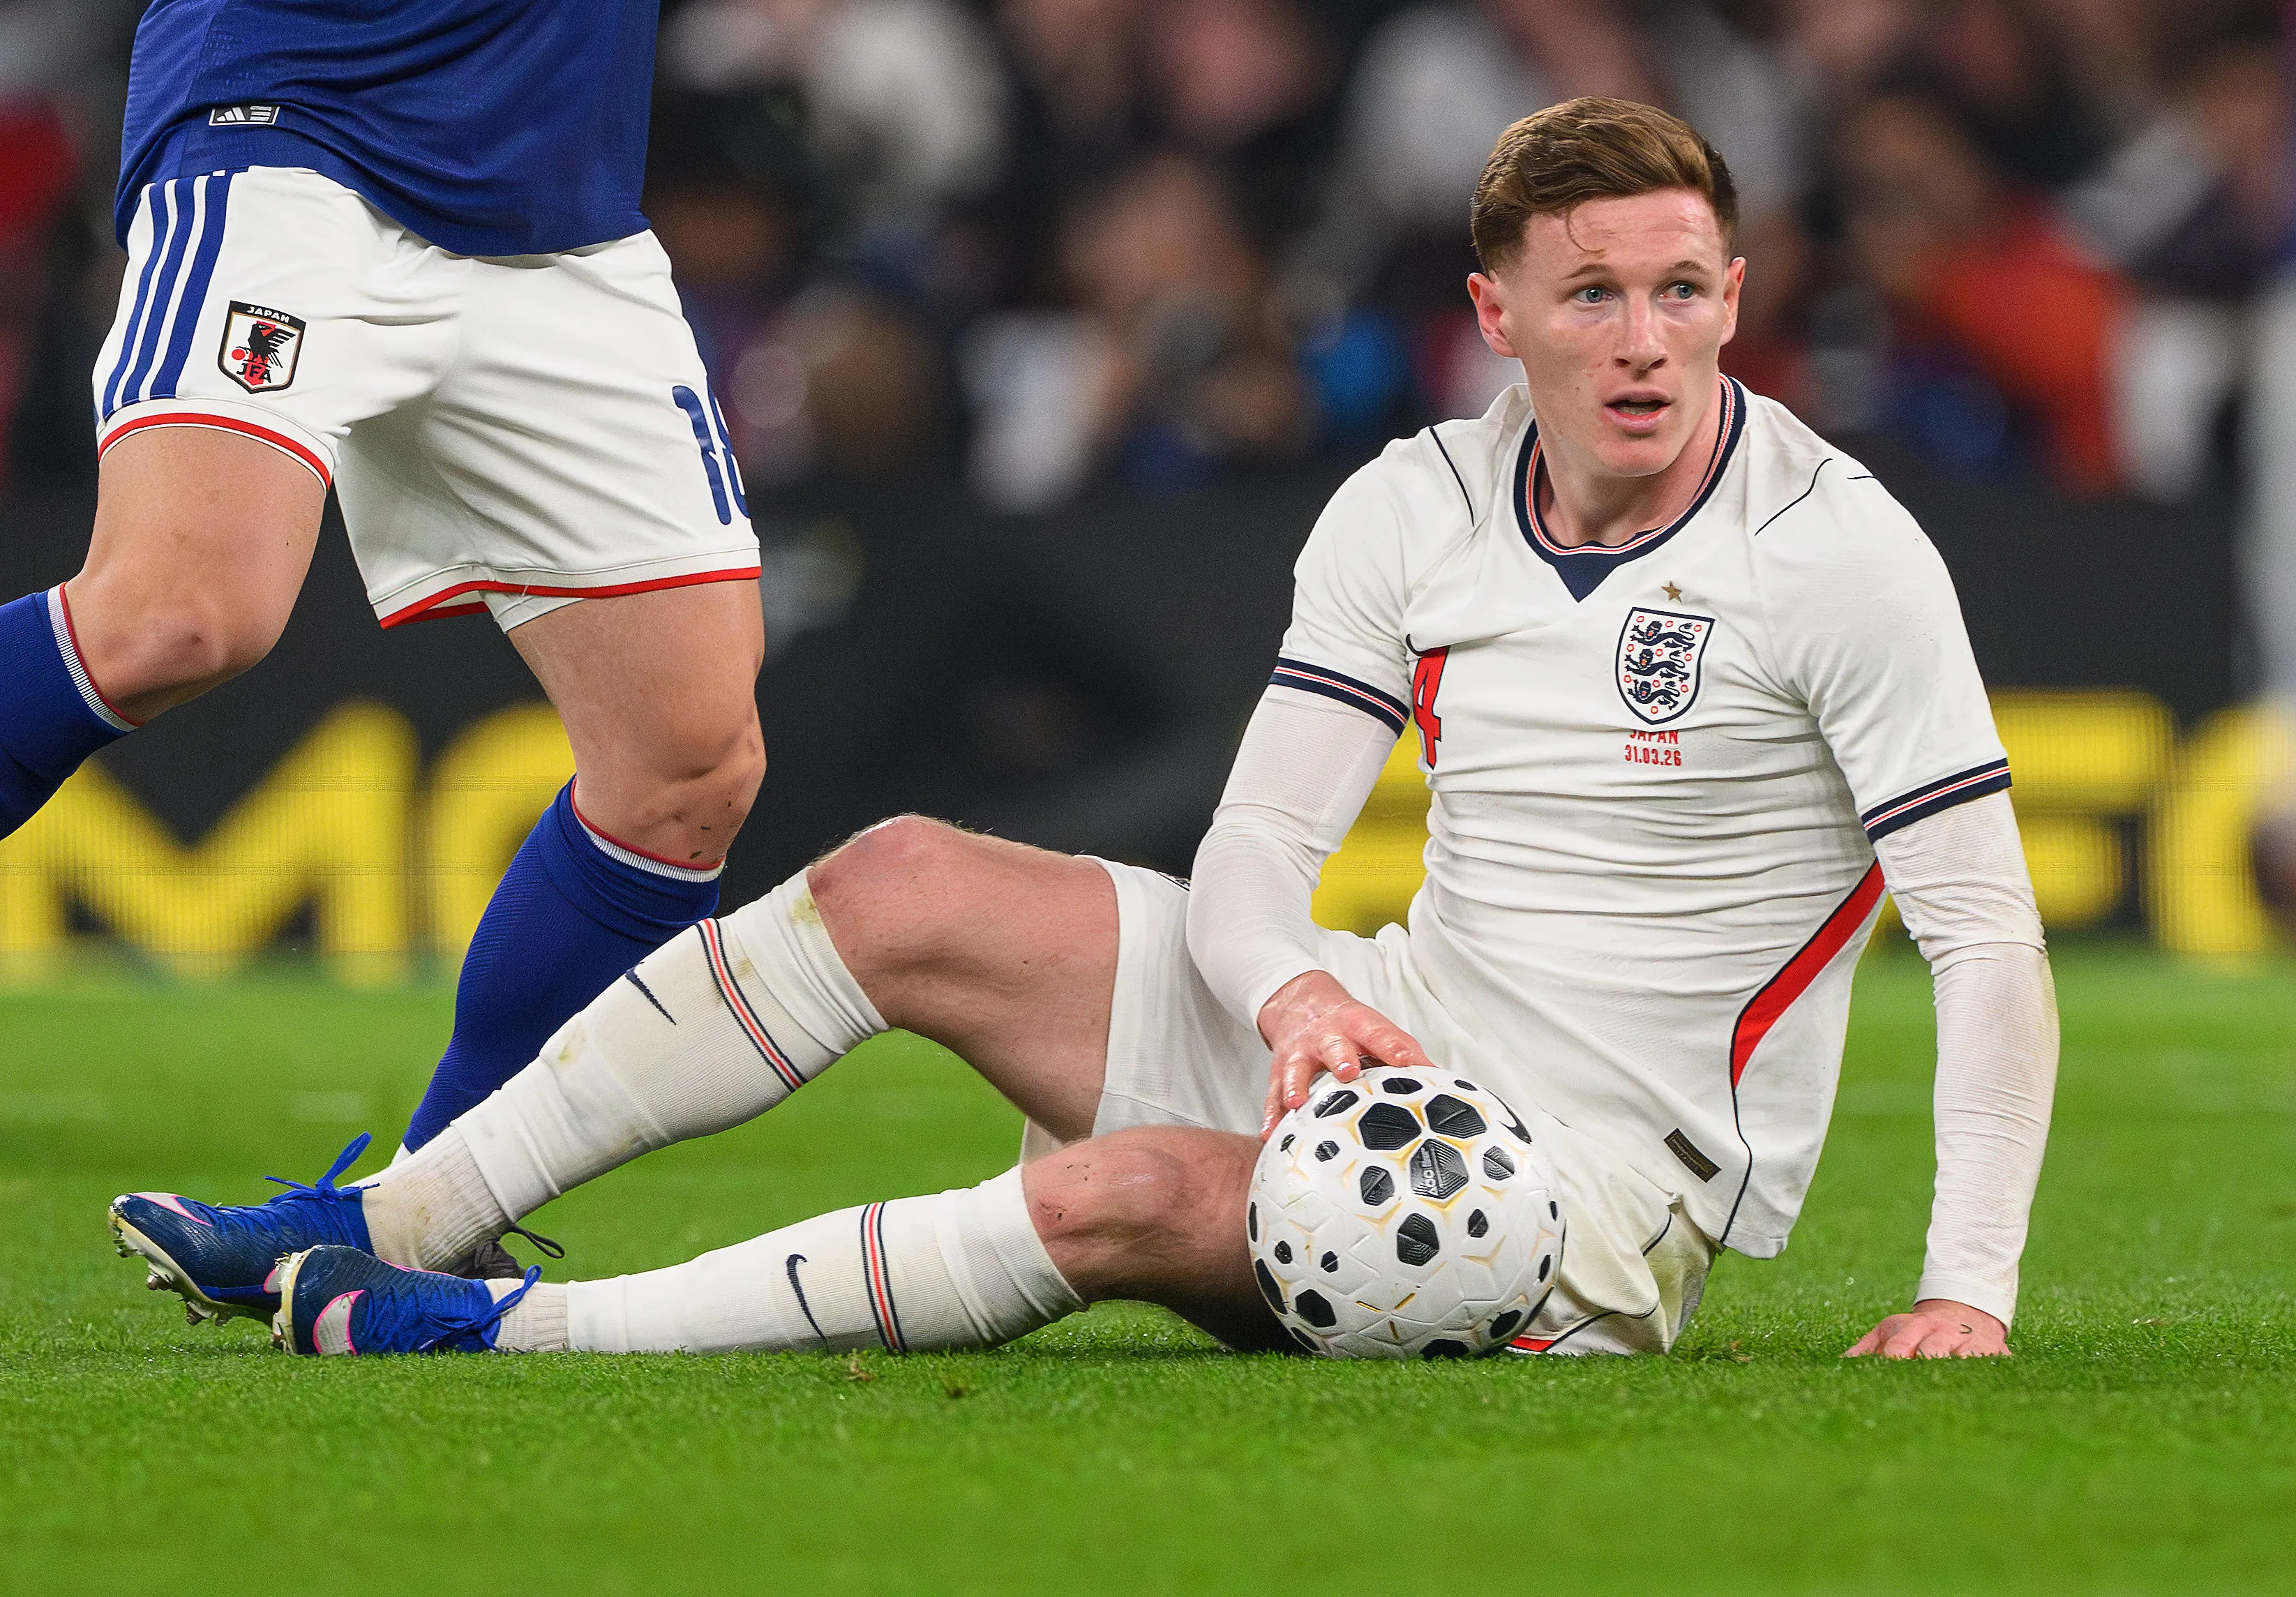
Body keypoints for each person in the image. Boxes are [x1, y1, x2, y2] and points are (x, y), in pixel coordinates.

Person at [113, 99, 2057, 1362]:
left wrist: (1963, 1284)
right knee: (893, 880)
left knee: (1121, 1199)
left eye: (1684, 292)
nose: (1647, 340)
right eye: (1597, 295)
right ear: (1499, 313)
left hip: (1582, 1191)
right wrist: (1292, 996)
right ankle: (388, 1213)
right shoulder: (1412, 503)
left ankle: (500, 1332)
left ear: (1736, 296)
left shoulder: (1836, 552)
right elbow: (1259, 856)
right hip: (1378, 1026)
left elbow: (1984, 934)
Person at [0, 0, 769, 1224]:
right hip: (296, 121)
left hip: (553, 193)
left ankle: (410, 1229)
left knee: (687, 766)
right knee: (175, 614)